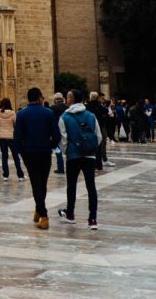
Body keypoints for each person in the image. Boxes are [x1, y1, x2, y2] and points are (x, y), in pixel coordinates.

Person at [13, 86, 60, 231]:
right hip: (44, 151)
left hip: (29, 152)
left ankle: (43, 214)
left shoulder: (21, 114)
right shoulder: (48, 113)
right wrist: (49, 146)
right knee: (43, 182)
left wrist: (23, 151)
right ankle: (39, 211)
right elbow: (57, 136)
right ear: (39, 98)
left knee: (35, 182)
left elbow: (17, 137)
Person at [57, 90, 101, 230]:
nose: (66, 99)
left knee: (72, 185)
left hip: (73, 156)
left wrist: (68, 151)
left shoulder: (64, 117)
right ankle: (92, 219)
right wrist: (90, 149)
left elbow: (62, 140)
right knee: (91, 187)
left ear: (71, 99)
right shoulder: (91, 116)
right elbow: (98, 137)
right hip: (89, 156)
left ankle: (70, 214)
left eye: (68, 97)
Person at [0, 98, 24, 181]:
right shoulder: (12, 113)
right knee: (15, 156)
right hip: (11, 136)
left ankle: (5, 175)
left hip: (1, 136)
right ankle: (20, 175)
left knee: (4, 156)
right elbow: (16, 124)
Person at [50, 92, 68, 173]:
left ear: (55, 99)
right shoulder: (67, 107)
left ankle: (60, 168)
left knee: (58, 150)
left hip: (56, 130)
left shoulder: (53, 108)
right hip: (67, 129)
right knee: (68, 149)